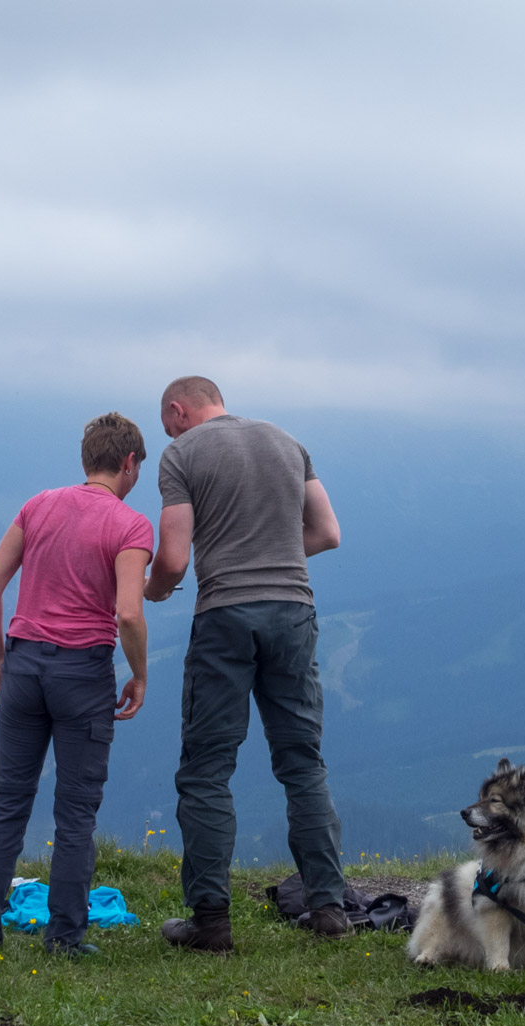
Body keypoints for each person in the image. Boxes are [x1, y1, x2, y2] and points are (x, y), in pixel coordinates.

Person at [145, 376, 348, 951]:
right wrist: (275, 551)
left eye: (168, 422)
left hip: (226, 616)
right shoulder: (287, 442)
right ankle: (329, 908)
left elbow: (175, 558)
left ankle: (210, 921)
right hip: (293, 611)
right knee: (302, 761)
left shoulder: (181, 454)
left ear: (178, 411)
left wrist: (151, 591)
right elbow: (328, 533)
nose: (170, 431)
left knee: (208, 768)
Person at [0, 412, 154, 956]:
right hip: (83, 672)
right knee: (75, 811)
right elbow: (129, 615)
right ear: (129, 463)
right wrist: (138, 674)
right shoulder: (131, 525)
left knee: (8, 802)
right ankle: (65, 936)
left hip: (23, 665)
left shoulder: (38, 504)